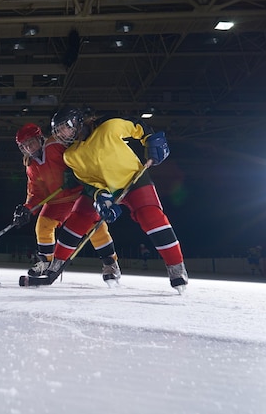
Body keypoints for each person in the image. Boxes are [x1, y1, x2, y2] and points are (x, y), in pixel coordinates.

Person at [49, 107, 188, 293]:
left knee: (151, 217)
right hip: (107, 189)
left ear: (77, 122)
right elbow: (89, 183)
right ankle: (57, 266)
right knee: (78, 219)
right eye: (57, 131)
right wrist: (101, 197)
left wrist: (152, 139)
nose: (60, 134)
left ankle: (176, 267)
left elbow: (138, 127)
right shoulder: (70, 156)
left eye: (63, 127)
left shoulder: (109, 127)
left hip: (134, 179)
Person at [12, 122, 121, 286]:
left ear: (40, 138)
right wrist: (28, 208)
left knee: (94, 226)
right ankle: (47, 263)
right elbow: (36, 193)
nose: (29, 148)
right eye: (24, 146)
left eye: (31, 142)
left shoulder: (56, 145)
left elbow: (80, 154)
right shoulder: (31, 166)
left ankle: (110, 264)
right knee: (43, 224)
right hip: (59, 200)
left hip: (80, 193)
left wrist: (75, 173)